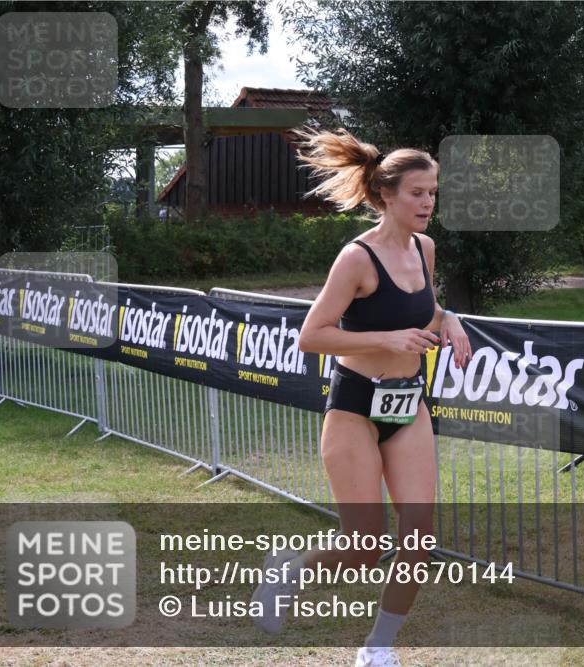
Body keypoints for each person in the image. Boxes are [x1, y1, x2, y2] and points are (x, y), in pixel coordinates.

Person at [251, 128, 472, 667]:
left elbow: (424, 311)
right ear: (387, 196)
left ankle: (377, 650)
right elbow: (312, 335)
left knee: (418, 543)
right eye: (418, 193)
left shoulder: (425, 249)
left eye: (433, 192)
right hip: (355, 407)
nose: (428, 203)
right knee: (363, 548)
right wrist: (384, 340)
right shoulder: (356, 259)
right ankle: (290, 569)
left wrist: (453, 320)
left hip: (408, 404)